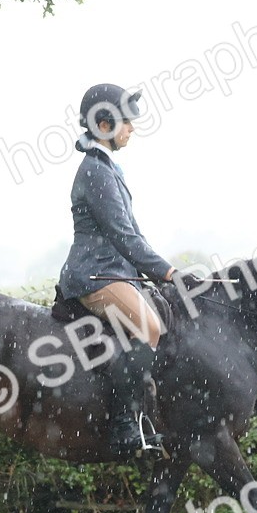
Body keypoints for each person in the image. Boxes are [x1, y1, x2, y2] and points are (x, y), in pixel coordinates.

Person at [57, 83, 202, 456]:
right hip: (95, 275)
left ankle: (144, 417)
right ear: (104, 124)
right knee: (150, 327)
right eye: (126, 123)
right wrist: (169, 273)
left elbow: (133, 233)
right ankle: (123, 425)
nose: (132, 129)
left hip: (114, 271)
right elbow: (123, 236)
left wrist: (164, 272)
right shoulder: (95, 171)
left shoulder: (107, 167)